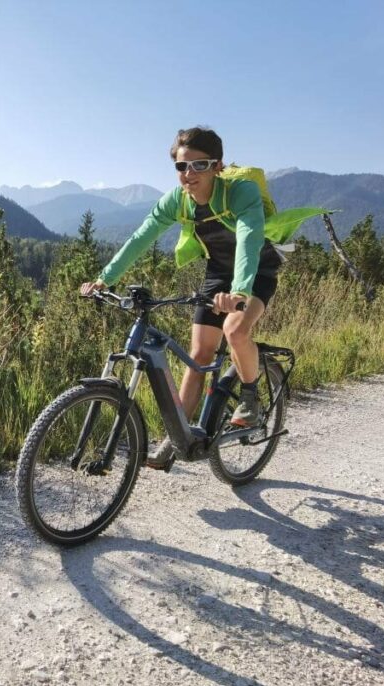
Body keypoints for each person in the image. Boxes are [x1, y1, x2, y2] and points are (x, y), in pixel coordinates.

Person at [80, 126, 281, 469]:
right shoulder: (177, 201)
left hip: (257, 271)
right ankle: (178, 439)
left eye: (199, 165)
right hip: (218, 273)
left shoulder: (241, 192)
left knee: (235, 330)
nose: (189, 174)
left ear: (218, 166)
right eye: (182, 166)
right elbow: (141, 238)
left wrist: (241, 292)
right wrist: (105, 278)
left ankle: (250, 397)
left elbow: (248, 240)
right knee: (199, 354)